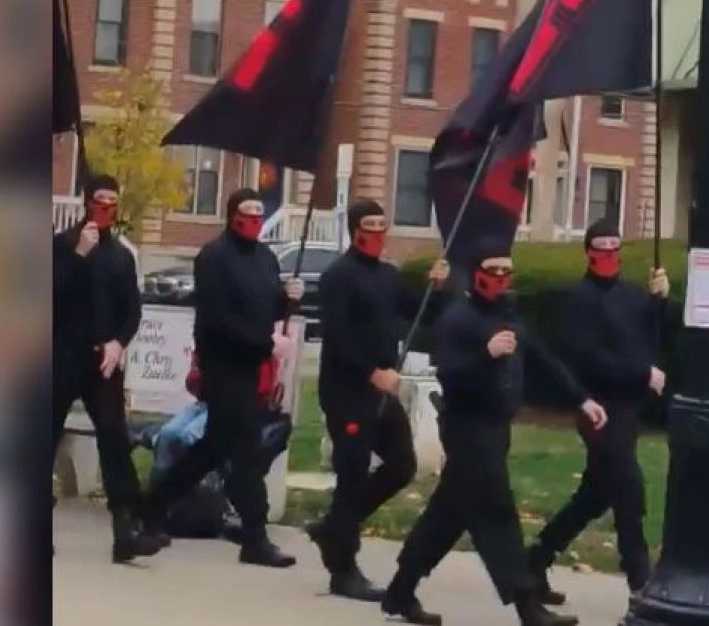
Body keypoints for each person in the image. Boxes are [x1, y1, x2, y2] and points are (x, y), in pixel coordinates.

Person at [381, 241, 609, 626]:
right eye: (493, 271)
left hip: (496, 427)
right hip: (467, 428)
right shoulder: (458, 319)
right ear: (476, 274)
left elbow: (543, 359)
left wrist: (582, 399)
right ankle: (526, 604)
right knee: (497, 511)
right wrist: (485, 354)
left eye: (507, 271)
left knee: (449, 513)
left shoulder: (509, 316)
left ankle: (400, 591)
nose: (501, 278)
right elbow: (449, 374)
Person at [142, 188, 304, 568]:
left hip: (252, 368)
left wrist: (288, 299)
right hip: (223, 367)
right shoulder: (213, 257)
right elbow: (218, 318)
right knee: (245, 450)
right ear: (232, 215)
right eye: (247, 212)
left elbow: (267, 308)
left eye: (259, 213)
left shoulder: (266, 258)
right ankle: (255, 536)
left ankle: (151, 507)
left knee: (211, 450)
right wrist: (265, 343)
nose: (254, 220)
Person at [305, 200, 450, 601]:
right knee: (351, 474)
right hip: (347, 390)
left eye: (383, 225)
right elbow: (336, 336)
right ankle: (343, 570)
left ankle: (334, 527)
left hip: (381, 390)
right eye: (370, 225)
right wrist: (370, 371)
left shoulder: (389, 276)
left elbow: (420, 313)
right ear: (355, 230)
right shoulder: (338, 277)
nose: (378, 232)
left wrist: (438, 288)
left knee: (402, 464)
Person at [527, 219, 670, 601]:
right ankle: (640, 582)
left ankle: (537, 558)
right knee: (629, 489)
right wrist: (642, 373)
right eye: (600, 248)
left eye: (614, 248)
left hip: (628, 406)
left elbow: (650, 341)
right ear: (588, 252)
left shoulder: (632, 296)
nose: (608, 255)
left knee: (596, 494)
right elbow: (589, 359)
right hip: (597, 407)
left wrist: (659, 303)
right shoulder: (580, 300)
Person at [52, 174, 167, 563]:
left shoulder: (121, 256)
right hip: (61, 355)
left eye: (112, 203)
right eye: (99, 201)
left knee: (114, 436)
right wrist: (78, 255)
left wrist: (119, 343)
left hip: (102, 359)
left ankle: (126, 528)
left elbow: (132, 310)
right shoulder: (61, 246)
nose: (105, 209)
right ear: (87, 203)